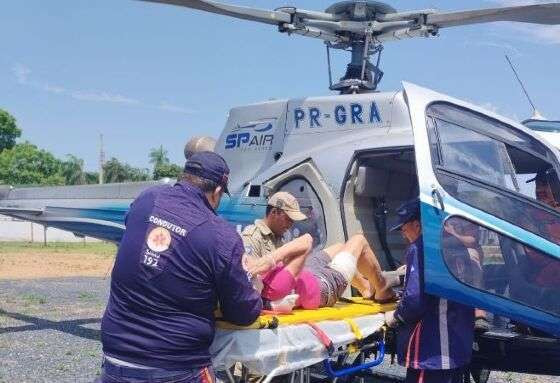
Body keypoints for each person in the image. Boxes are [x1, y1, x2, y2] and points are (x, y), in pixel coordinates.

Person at [99, 151, 262, 383]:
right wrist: (256, 288)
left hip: (116, 357)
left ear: (184, 177)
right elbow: (242, 313)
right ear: (217, 192)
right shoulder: (221, 235)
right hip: (177, 366)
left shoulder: (147, 199)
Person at [242, 191, 395, 310]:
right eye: (288, 219)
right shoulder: (252, 237)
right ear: (274, 212)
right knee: (358, 240)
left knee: (340, 247)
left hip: (299, 275)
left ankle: (366, 288)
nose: (290, 224)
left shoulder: (279, 235)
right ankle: (382, 288)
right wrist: (271, 262)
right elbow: (252, 276)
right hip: (295, 284)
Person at [383, 199, 475, 383]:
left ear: (417, 224)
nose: (403, 235)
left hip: (432, 350)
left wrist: (395, 317)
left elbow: (415, 300)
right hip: (457, 343)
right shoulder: (456, 246)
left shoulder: (419, 247)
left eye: (404, 228)